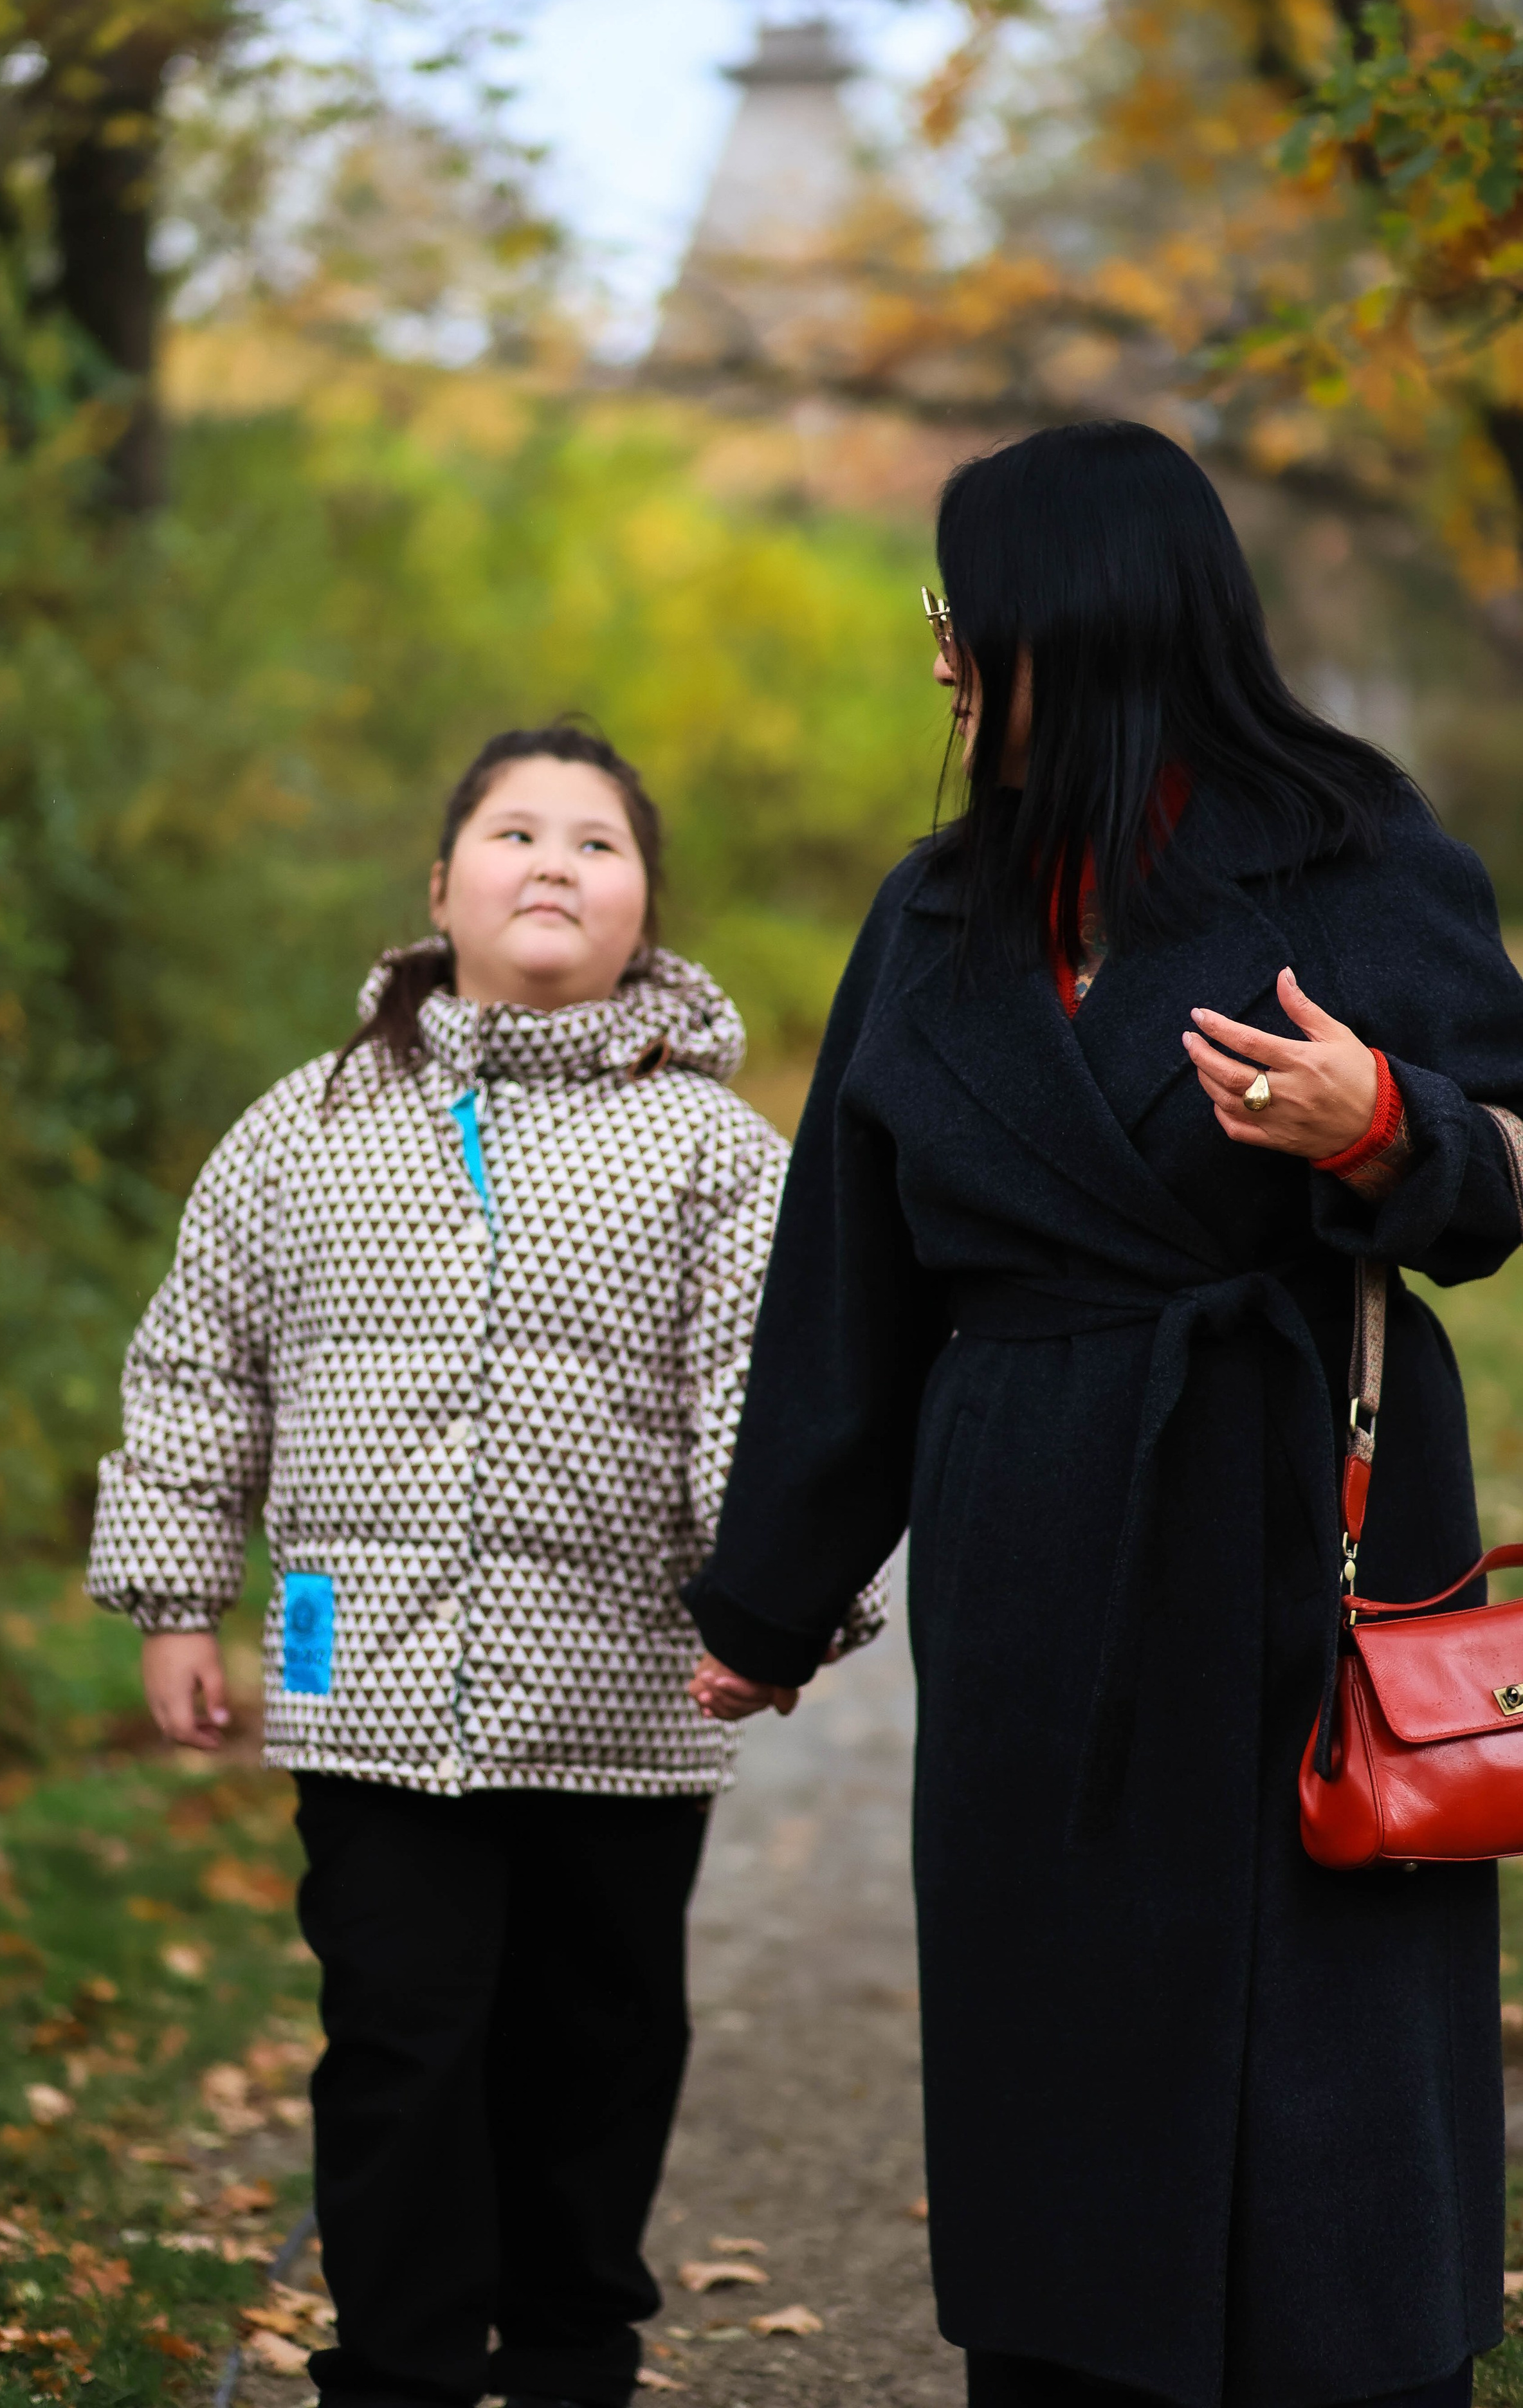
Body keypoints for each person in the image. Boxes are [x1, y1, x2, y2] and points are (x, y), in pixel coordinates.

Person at [683, 421, 1523, 2408]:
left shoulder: (1359, 853)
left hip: (1298, 1516)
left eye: (961, 613)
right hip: (1040, 1546)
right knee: (1057, 2062)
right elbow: (850, 1280)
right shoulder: (938, 913)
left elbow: (1509, 1164)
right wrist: (766, 1600)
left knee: (1322, 2073)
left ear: (1076, 618)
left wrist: (1385, 1125)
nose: (942, 656)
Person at [86, 722, 885, 2408]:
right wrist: (176, 1594)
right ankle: (401, 2368)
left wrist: (783, 1605)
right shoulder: (304, 1129)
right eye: (512, 833)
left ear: (646, 910)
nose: (551, 862)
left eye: (596, 843)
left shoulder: (716, 1154)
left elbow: (776, 1396)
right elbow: (198, 1358)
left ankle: (573, 2349)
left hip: (622, 1702)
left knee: (596, 2052)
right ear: (438, 887)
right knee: (400, 2043)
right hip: (359, 1685)